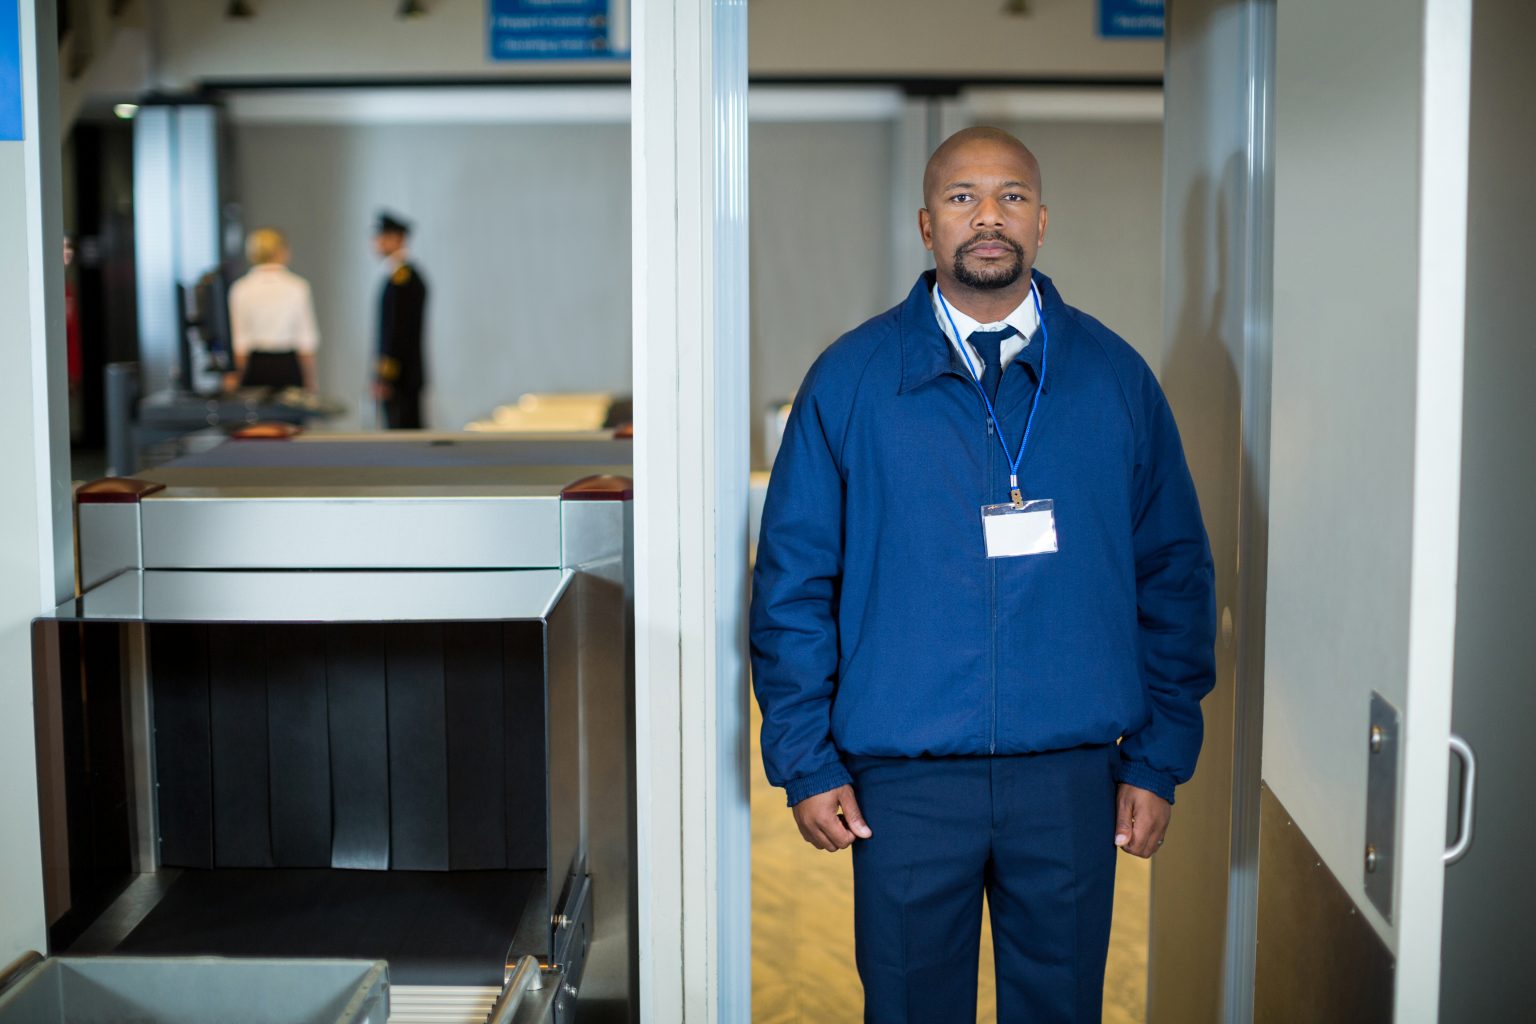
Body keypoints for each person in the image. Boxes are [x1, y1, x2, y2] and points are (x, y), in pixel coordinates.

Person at [750, 127, 1216, 1023]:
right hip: (904, 782)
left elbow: (1175, 577)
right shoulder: (849, 381)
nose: (988, 216)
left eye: (1010, 196)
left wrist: (1159, 761)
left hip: (1073, 779)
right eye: (964, 197)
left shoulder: (1116, 381)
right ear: (927, 225)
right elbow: (793, 586)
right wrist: (805, 761)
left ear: (1043, 221)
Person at [226, 227, 320, 391]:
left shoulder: (241, 288)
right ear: (281, 251)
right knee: (287, 415)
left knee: (258, 415)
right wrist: (310, 380)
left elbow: (240, 341)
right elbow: (305, 341)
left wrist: (235, 375)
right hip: (288, 365)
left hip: (255, 366)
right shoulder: (297, 287)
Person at [372, 211, 428, 429]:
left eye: (382, 237)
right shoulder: (400, 277)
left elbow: (397, 332)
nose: (376, 243)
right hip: (405, 376)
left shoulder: (403, 280)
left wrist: (385, 377)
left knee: (403, 438)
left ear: (397, 239)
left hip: (402, 378)